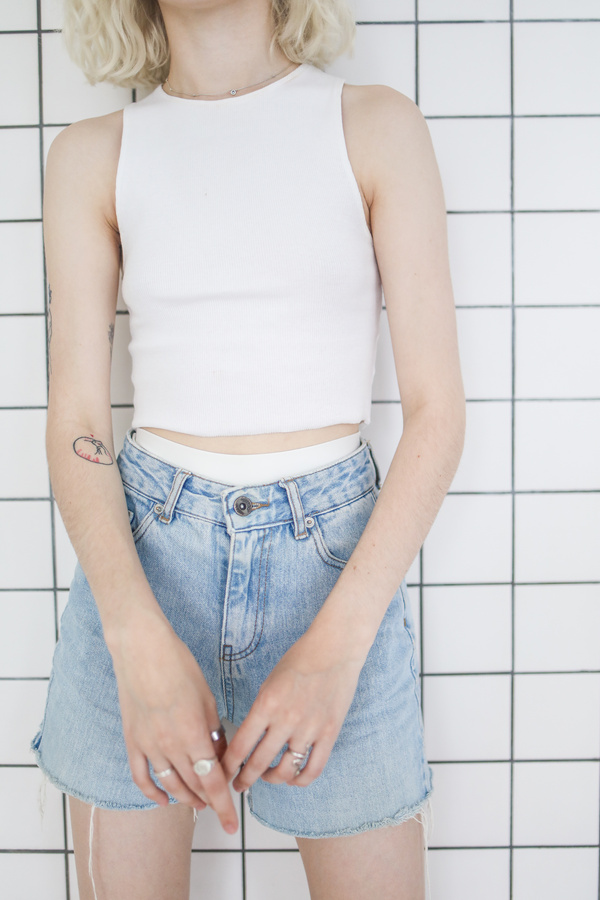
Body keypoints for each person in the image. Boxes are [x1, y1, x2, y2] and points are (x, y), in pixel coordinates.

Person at [30, 0, 465, 897]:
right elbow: (75, 411)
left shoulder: (376, 125)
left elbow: (437, 415)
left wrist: (336, 650)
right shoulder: (91, 155)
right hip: (142, 558)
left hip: (335, 569)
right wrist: (134, 637)